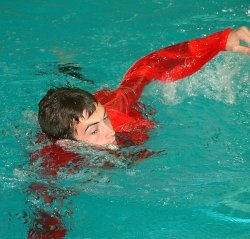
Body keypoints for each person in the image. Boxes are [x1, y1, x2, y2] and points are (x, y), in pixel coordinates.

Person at [35, 26, 250, 171]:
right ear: (67, 144)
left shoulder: (118, 108)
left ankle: (69, 66)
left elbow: (146, 69)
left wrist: (218, 41)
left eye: (105, 119)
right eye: (94, 130)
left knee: (85, 87)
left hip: (104, 98)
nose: (111, 131)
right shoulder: (53, 165)